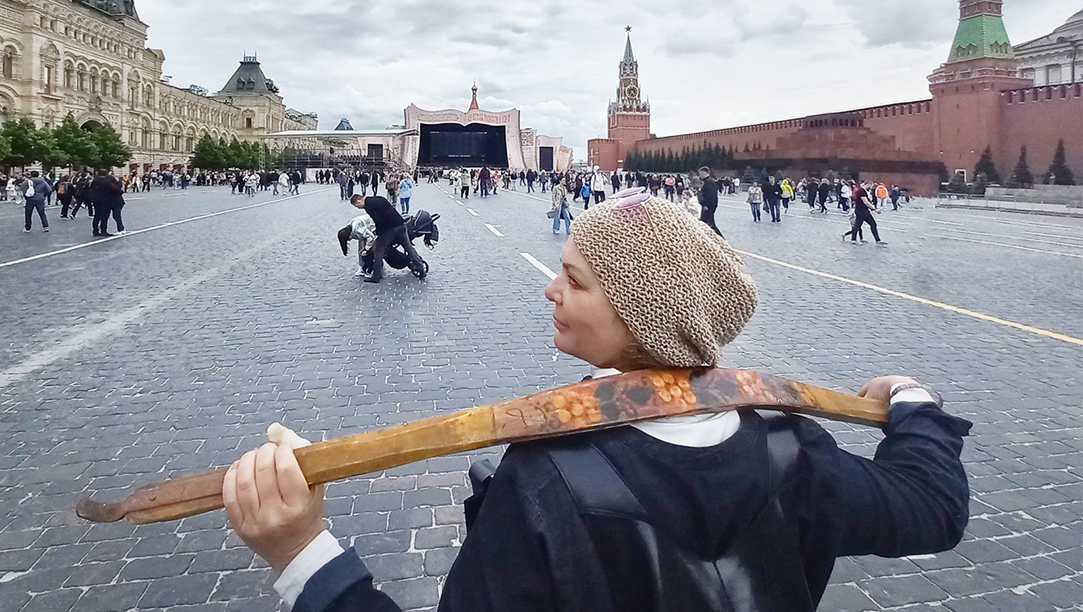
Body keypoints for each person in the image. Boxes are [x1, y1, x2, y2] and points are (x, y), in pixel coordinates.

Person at [224, 189, 971, 611]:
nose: (550, 289)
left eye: (576, 280)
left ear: (642, 317)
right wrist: (910, 400)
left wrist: (305, 554)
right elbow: (931, 504)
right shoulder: (790, 446)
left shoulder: (553, 478)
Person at [351, 193, 420, 283]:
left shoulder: (369, 206)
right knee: (408, 247)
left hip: (389, 229)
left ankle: (376, 275)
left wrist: (378, 234)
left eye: (357, 206)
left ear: (359, 201)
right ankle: (420, 266)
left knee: (378, 251)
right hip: (401, 224)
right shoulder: (379, 198)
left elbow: (378, 221)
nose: (358, 208)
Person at [90, 168, 126, 236]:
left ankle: (95, 231)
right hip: (105, 200)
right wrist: (120, 189)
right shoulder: (105, 181)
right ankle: (104, 230)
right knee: (105, 216)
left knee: (97, 215)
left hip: (96, 200)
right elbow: (114, 188)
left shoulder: (94, 180)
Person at [697, 166, 721, 237]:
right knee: (705, 222)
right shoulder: (707, 181)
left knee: (709, 223)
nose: (699, 175)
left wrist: (706, 205)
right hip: (707, 205)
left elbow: (711, 195)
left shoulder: (709, 182)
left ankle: (720, 238)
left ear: (704, 172)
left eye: (700, 173)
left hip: (708, 206)